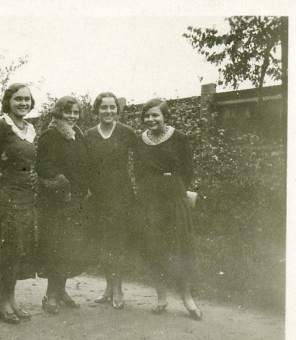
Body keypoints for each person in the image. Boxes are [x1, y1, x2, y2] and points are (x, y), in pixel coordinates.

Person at [132, 98, 202, 320]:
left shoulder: (179, 138)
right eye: (147, 116)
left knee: (180, 248)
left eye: (156, 115)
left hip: (173, 199)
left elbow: (188, 170)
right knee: (154, 247)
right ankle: (161, 298)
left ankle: (187, 298)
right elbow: (138, 172)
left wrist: (176, 189)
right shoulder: (139, 141)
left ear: (165, 116)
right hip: (150, 201)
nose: (151, 119)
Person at [0, 83, 38, 324]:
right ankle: (3, 304)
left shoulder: (30, 129)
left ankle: (12, 301)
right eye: (18, 99)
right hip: (4, 197)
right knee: (8, 249)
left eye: (27, 99)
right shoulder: (1, 127)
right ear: (8, 102)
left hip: (24, 195)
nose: (23, 103)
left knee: (19, 249)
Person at [36, 96, 91, 314]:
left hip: (76, 200)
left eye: (76, 112)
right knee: (55, 246)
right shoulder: (50, 134)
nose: (72, 116)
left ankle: (61, 291)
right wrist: (63, 185)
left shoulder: (78, 134)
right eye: (68, 112)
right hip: (55, 201)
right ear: (58, 112)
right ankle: (50, 295)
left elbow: (84, 164)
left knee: (69, 247)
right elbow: (43, 166)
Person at [86, 92, 137, 309]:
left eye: (112, 107)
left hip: (122, 196)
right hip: (98, 197)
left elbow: (143, 158)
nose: (108, 111)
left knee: (118, 242)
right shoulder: (89, 135)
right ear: (96, 110)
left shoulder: (126, 132)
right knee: (103, 242)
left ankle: (118, 289)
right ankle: (108, 287)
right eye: (104, 107)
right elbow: (84, 165)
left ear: (117, 109)